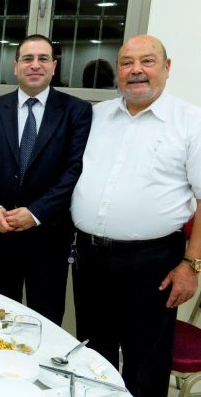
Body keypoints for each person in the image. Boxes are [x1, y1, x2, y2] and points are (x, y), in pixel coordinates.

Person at [71, 35, 201, 397]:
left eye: (147, 61)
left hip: (154, 263)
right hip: (91, 258)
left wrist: (192, 265)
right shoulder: (97, 117)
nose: (136, 70)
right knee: (93, 355)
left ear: (167, 67)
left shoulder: (191, 122)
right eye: (127, 63)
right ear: (117, 71)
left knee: (146, 362)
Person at [0, 34, 92, 325]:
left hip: (50, 235)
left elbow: (74, 170)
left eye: (43, 59)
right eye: (28, 58)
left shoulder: (76, 111)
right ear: (16, 66)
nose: (35, 65)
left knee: (46, 318)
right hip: (0, 232)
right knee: (1, 317)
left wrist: (36, 212)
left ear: (54, 66)